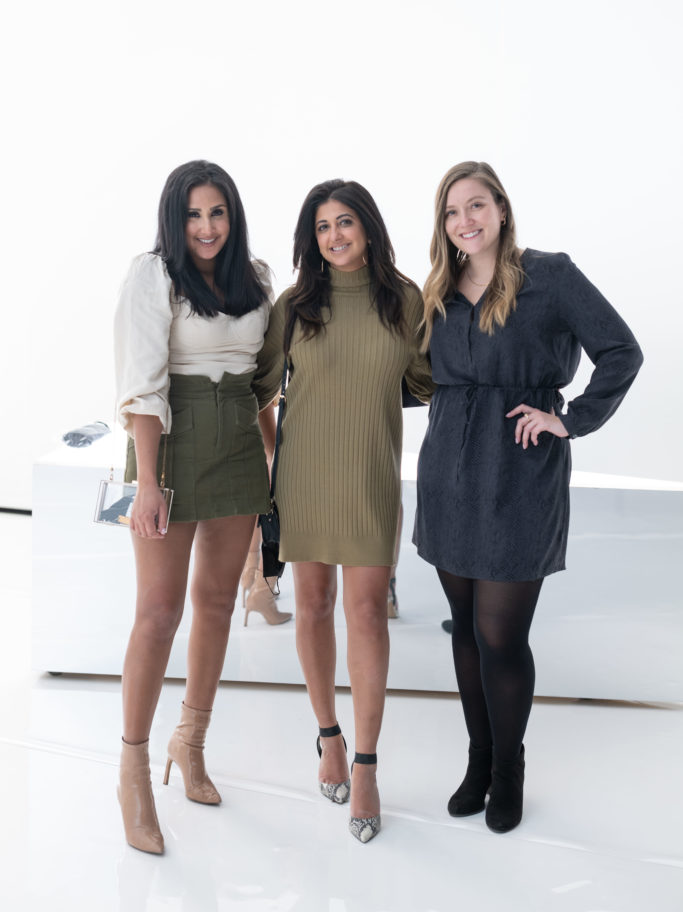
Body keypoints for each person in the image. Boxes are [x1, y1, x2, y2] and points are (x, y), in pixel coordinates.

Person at [414, 161, 643, 834]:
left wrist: (569, 418)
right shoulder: (438, 289)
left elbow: (620, 352)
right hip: (446, 473)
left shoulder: (549, 276)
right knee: (463, 629)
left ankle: (509, 770)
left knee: (500, 634)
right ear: (444, 225)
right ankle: (478, 762)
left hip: (517, 473)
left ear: (501, 210)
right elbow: (419, 380)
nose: (466, 220)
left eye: (476, 204)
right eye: (453, 211)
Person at [254, 179, 433, 842]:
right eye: (323, 226)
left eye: (345, 222)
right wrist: (276, 463)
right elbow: (260, 392)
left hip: (369, 477)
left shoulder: (405, 298)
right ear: (311, 237)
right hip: (302, 477)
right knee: (314, 607)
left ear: (367, 228)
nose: (335, 236)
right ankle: (326, 733)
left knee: (365, 613)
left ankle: (365, 763)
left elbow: (424, 382)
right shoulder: (295, 304)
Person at [114, 160, 277, 854]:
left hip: (239, 443)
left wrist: (276, 461)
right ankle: (132, 771)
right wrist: (147, 482)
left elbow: (264, 381)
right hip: (170, 443)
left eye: (217, 213)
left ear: (232, 217)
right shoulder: (152, 275)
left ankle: (191, 741)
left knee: (215, 606)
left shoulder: (257, 279)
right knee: (158, 612)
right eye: (193, 214)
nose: (206, 227)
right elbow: (141, 383)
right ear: (173, 219)